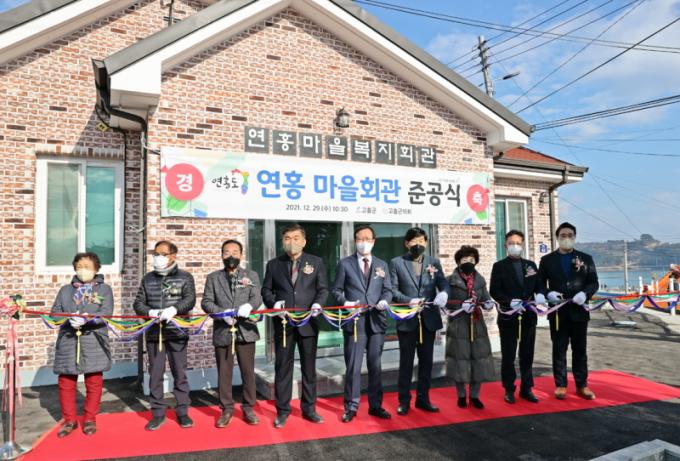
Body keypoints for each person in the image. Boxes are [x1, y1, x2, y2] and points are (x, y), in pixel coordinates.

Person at [261, 224, 329, 428]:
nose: (292, 242)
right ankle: (283, 411)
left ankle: (309, 409)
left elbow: (323, 289)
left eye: (296, 238)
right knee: (283, 367)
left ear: (304, 241)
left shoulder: (316, 262)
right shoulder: (274, 264)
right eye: (287, 238)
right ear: (283, 242)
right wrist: (274, 304)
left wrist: (318, 304)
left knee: (309, 368)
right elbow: (266, 290)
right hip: (284, 324)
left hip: (308, 323)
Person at [332, 225, 393, 423]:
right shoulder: (345, 264)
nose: (363, 242)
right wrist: (345, 302)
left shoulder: (382, 265)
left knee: (375, 365)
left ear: (373, 241)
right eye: (359, 238)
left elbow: (388, 289)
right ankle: (351, 406)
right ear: (354, 241)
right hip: (355, 321)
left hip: (376, 321)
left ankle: (375, 405)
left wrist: (385, 300)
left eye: (367, 238)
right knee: (353, 366)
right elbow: (336, 290)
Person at [133, 240, 196, 430]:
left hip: (177, 332)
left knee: (180, 373)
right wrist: (150, 312)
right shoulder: (147, 279)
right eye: (155, 254)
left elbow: (190, 299)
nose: (157, 258)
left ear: (173, 256)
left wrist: (174, 309)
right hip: (154, 333)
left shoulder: (185, 277)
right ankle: (158, 413)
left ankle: (182, 411)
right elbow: (138, 303)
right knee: (155, 374)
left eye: (162, 254)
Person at [202, 239, 263, 428]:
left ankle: (248, 407)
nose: (231, 255)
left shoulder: (251, 275)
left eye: (235, 252)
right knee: (224, 372)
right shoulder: (213, 277)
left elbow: (257, 297)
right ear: (222, 255)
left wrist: (249, 306)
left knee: (248, 371)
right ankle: (226, 408)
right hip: (223, 329)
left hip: (246, 329)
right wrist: (223, 314)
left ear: (241, 255)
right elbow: (206, 302)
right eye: (227, 252)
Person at [52, 252, 113, 437]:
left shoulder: (104, 290)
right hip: (68, 340)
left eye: (87, 267)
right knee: (66, 382)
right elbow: (55, 313)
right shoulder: (65, 291)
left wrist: (89, 319)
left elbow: (107, 313)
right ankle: (69, 420)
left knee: (94, 382)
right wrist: (68, 319)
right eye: (79, 267)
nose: (82, 270)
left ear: (96, 269)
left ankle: (89, 419)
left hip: (93, 340)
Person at [389, 227, 448, 416]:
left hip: (428, 319)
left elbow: (443, 283)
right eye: (414, 241)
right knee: (406, 362)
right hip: (407, 319)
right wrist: (409, 300)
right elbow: (393, 290)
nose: (418, 244)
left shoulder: (433, 262)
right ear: (407, 243)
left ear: (426, 243)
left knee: (426, 362)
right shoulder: (396, 263)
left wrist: (444, 293)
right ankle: (404, 401)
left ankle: (423, 399)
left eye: (421, 241)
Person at [538, 222, 599, 401]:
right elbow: (539, 283)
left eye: (570, 235)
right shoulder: (547, 260)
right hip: (558, 312)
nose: (567, 238)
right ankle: (561, 385)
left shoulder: (585, 258)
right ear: (557, 238)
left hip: (579, 311)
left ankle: (582, 385)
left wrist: (585, 293)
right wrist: (547, 293)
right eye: (563, 235)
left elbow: (594, 282)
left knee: (580, 350)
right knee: (559, 349)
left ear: (575, 237)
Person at [490, 230, 543, 404]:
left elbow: (539, 286)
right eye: (511, 243)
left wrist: (541, 294)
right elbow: (494, 291)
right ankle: (509, 388)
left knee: (527, 353)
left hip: (528, 315)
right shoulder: (499, 266)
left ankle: (526, 388)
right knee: (508, 354)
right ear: (505, 245)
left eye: (518, 243)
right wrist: (509, 301)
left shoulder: (531, 265)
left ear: (523, 245)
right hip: (508, 315)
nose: (515, 246)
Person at [445, 245, 496, 409]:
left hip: (477, 324)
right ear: (458, 261)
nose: (469, 262)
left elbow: (486, 297)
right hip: (458, 325)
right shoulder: (450, 281)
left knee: (478, 360)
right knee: (459, 360)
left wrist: (488, 303)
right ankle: (461, 395)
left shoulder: (480, 281)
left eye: (472, 260)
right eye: (465, 259)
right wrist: (461, 305)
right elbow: (445, 303)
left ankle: (474, 395)